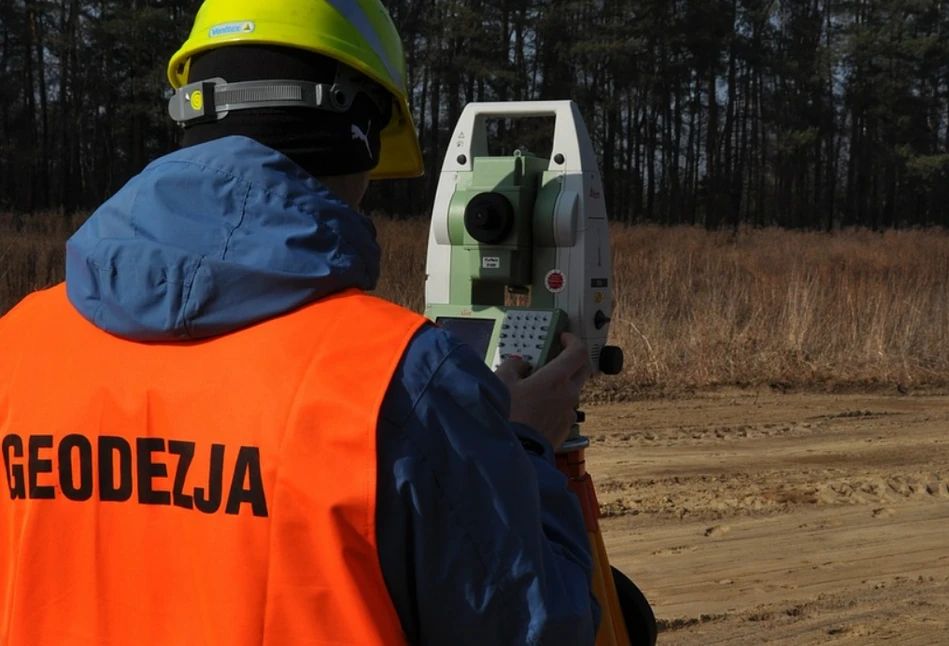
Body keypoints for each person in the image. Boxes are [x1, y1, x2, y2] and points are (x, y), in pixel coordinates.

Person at [0, 1, 599, 644]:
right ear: (358, 134)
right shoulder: (403, 384)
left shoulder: (18, 345)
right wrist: (523, 449)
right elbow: (538, 626)